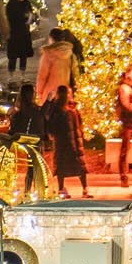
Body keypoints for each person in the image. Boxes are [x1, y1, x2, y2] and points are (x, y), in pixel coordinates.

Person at [33, 28, 85, 193]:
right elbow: (74, 73)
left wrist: (39, 93)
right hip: (65, 93)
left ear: (51, 39)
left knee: (50, 127)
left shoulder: (48, 55)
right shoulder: (69, 53)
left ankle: (49, 145)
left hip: (50, 94)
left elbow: (42, 76)